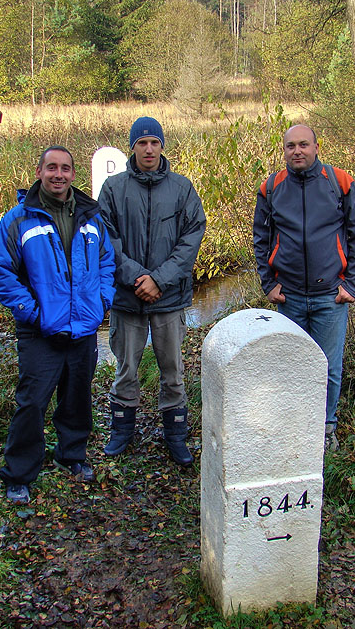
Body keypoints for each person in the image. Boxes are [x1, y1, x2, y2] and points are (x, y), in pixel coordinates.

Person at [0, 145, 115, 504]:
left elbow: (107, 262)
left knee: (77, 398)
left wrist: (102, 300)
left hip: (83, 328)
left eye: (65, 169)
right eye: (52, 168)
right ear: (40, 172)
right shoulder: (19, 220)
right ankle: (18, 474)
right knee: (32, 403)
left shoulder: (92, 218)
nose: (59, 175)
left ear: (73, 174)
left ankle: (70, 456)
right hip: (40, 331)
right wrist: (33, 312)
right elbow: (0, 273)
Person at [252, 124, 355, 452]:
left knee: (328, 366)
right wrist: (268, 283)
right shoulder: (271, 188)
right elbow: (261, 239)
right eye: (291, 146)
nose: (297, 151)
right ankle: (293, 426)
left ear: (317, 147)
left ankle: (325, 428)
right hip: (288, 297)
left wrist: (352, 284)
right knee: (290, 364)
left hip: (330, 296)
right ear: (284, 150)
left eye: (303, 144)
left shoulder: (339, 182)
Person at [98, 117, 206, 466]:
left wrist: (159, 279)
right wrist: (137, 278)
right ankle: (121, 432)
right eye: (141, 143)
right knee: (126, 369)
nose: (148, 149)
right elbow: (106, 239)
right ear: (132, 147)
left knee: (172, 370)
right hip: (127, 298)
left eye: (154, 142)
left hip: (168, 297)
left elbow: (192, 237)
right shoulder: (113, 188)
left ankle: (175, 436)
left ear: (162, 146)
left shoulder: (181, 188)